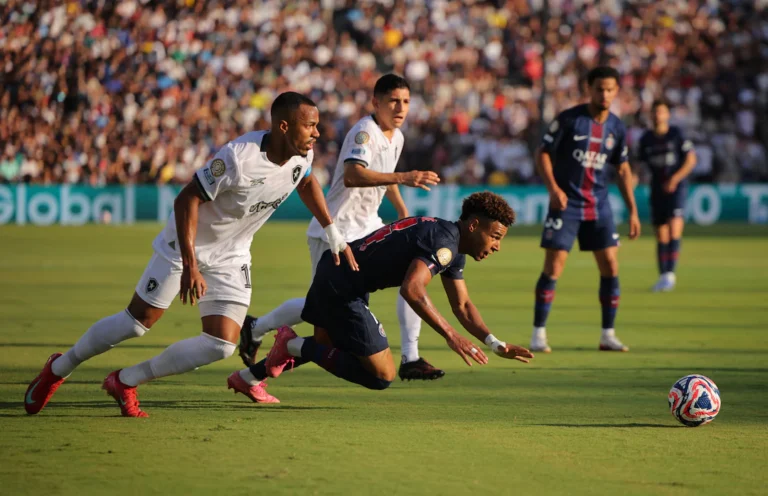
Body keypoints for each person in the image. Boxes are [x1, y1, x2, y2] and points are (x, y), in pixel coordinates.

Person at [24, 92, 357, 417]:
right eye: (309, 125)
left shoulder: (303, 155)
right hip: (187, 246)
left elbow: (305, 181)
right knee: (136, 324)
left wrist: (331, 230)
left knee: (221, 344)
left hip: (233, 254)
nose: (317, 132)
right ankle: (59, 367)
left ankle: (125, 381)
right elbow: (186, 199)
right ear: (283, 126)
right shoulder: (238, 158)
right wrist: (190, 265)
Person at [236, 74, 445, 390]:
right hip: (337, 229)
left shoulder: (396, 136)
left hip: (368, 227)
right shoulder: (365, 132)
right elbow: (352, 175)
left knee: (411, 275)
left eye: (405, 101)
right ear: (376, 102)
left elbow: (385, 178)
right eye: (393, 101)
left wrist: (402, 211)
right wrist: (404, 177)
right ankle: (258, 328)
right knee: (323, 317)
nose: (401, 108)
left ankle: (412, 357)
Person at [225, 192, 534, 402]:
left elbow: (463, 305)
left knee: (325, 349)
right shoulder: (444, 244)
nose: (496, 246)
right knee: (382, 375)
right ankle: (290, 343)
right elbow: (412, 290)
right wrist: (452, 337)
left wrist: (495, 343)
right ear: (474, 225)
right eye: (495, 237)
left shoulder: (451, 244)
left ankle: (247, 377)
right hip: (342, 287)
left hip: (335, 275)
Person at [529, 66, 641, 354]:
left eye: (609, 89)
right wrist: (553, 189)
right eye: (599, 89)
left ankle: (608, 335)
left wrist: (633, 211)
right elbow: (542, 152)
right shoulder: (569, 120)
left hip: (599, 205)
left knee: (611, 267)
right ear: (589, 89)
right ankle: (538, 334)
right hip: (565, 203)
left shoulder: (616, 126)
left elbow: (623, 168)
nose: (604, 94)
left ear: (616, 92)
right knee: (553, 267)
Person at [637, 100, 697, 292]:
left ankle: (670, 274)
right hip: (656, 188)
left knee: (674, 227)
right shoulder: (646, 138)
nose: (657, 116)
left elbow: (691, 159)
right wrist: (634, 179)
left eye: (661, 112)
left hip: (676, 188)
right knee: (661, 233)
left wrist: (675, 178)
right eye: (654, 112)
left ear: (667, 115)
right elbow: (639, 165)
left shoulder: (676, 134)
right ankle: (663, 276)